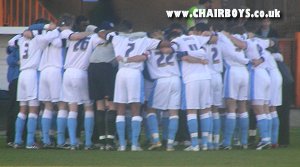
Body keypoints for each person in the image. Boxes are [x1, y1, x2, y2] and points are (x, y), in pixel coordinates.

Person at [98, 28, 170, 151]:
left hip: (121, 73)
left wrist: (119, 34)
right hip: (134, 73)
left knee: (120, 107)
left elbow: (101, 34)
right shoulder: (145, 40)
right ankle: (134, 144)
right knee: (135, 108)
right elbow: (165, 44)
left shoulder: (119, 38)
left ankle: (121, 145)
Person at [171, 25, 217, 151]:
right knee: (205, 110)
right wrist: (199, 59)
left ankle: (195, 144)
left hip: (192, 78)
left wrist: (187, 54)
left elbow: (180, 54)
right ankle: (206, 143)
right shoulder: (197, 38)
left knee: (191, 110)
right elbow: (213, 40)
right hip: (206, 76)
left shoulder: (178, 40)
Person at [60, 24, 104, 150]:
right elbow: (104, 40)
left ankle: (73, 142)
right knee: (88, 107)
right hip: (81, 72)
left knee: (72, 108)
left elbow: (66, 33)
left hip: (67, 72)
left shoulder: (71, 35)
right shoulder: (93, 37)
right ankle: (88, 142)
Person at [145, 30, 181, 151]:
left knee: (151, 109)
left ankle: (156, 140)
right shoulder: (173, 45)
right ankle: (170, 144)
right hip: (176, 79)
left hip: (161, 80)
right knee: (173, 112)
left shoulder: (149, 49)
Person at [88, 21, 117, 150]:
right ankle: (110, 141)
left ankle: (100, 141)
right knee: (111, 104)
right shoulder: (116, 38)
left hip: (92, 68)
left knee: (99, 104)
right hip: (105, 67)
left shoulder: (95, 40)